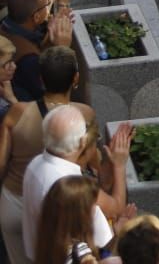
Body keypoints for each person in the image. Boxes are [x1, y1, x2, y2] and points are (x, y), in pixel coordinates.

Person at [1, 49, 93, 263]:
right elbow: (87, 162)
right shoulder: (84, 114)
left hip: (14, 202)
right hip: (56, 209)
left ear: (41, 79)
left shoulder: (17, 112)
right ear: (75, 78)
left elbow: (1, 163)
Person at [22, 107, 121, 264]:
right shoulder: (71, 187)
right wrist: (120, 165)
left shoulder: (35, 164)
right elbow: (115, 210)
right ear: (83, 142)